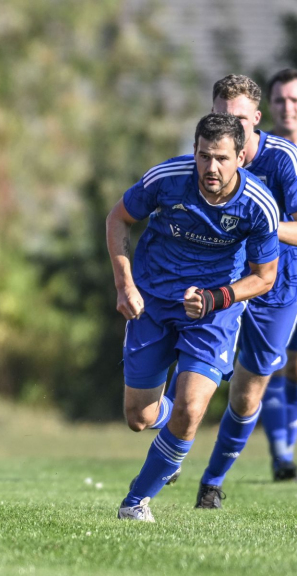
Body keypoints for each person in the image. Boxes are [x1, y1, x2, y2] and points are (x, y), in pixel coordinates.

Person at [106, 112, 279, 522]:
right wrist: (124, 285)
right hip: (151, 301)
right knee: (139, 417)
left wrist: (217, 297)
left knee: (191, 409)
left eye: (220, 158)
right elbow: (118, 218)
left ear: (240, 156)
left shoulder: (258, 205)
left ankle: (134, 504)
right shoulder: (166, 179)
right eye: (203, 156)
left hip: (212, 313)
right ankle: (171, 431)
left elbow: (264, 277)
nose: (210, 168)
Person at [156, 75, 297, 506]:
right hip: (220, 280)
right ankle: (173, 436)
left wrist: (260, 222)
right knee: (188, 365)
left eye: (237, 119)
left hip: (275, 288)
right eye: (220, 116)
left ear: (256, 119)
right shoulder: (205, 157)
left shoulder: (284, 161)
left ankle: (212, 482)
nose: (228, 126)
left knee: (248, 391)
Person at [259, 69, 297, 480]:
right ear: (269, 105)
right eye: (281, 100)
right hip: (276, 277)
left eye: (295, 100)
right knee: (269, 365)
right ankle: (282, 457)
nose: (288, 108)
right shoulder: (258, 153)